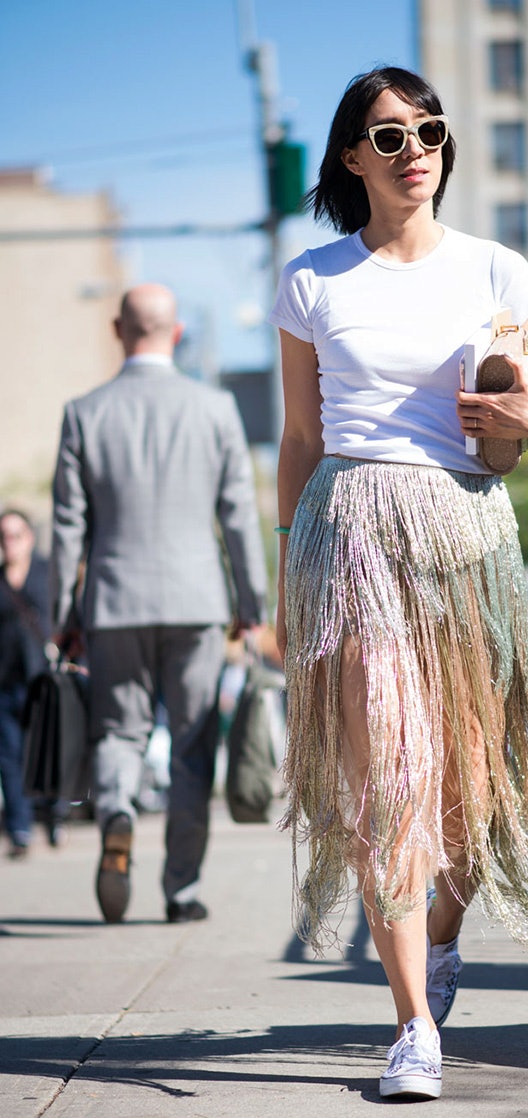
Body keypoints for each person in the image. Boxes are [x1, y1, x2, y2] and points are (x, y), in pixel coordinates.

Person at [269, 66, 528, 1102]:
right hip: (353, 529)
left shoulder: (496, 270)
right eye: (386, 135)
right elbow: (299, 435)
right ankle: (412, 1025)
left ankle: (441, 946)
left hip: (467, 534)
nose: (412, 148)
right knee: (389, 780)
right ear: (348, 159)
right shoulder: (313, 280)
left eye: (427, 130)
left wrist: (522, 421)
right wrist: (289, 572)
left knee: (463, 785)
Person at [50, 283, 267, 924]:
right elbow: (237, 516)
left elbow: (67, 528)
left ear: (119, 331)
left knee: (119, 730)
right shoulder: (216, 409)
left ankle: (116, 810)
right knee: (194, 742)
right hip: (196, 598)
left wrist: (67, 614)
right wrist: (250, 602)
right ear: (176, 335)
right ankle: (180, 891)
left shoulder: (84, 412)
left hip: (114, 600)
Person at [0, 509, 50, 857]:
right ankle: (20, 828)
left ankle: (54, 815)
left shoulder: (47, 575)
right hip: (4, 682)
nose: (9, 543)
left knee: (45, 751)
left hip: (43, 680)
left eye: (16, 535)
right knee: (9, 756)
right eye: (4, 536)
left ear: (30, 538)